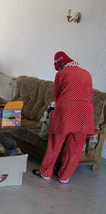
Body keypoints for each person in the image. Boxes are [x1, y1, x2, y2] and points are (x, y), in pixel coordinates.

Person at [32, 51, 94, 184]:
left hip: (66, 112)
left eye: (58, 67)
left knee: (55, 142)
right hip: (85, 114)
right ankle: (64, 177)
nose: (58, 70)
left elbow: (57, 96)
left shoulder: (61, 74)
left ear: (60, 65)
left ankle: (45, 172)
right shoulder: (86, 73)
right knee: (75, 147)